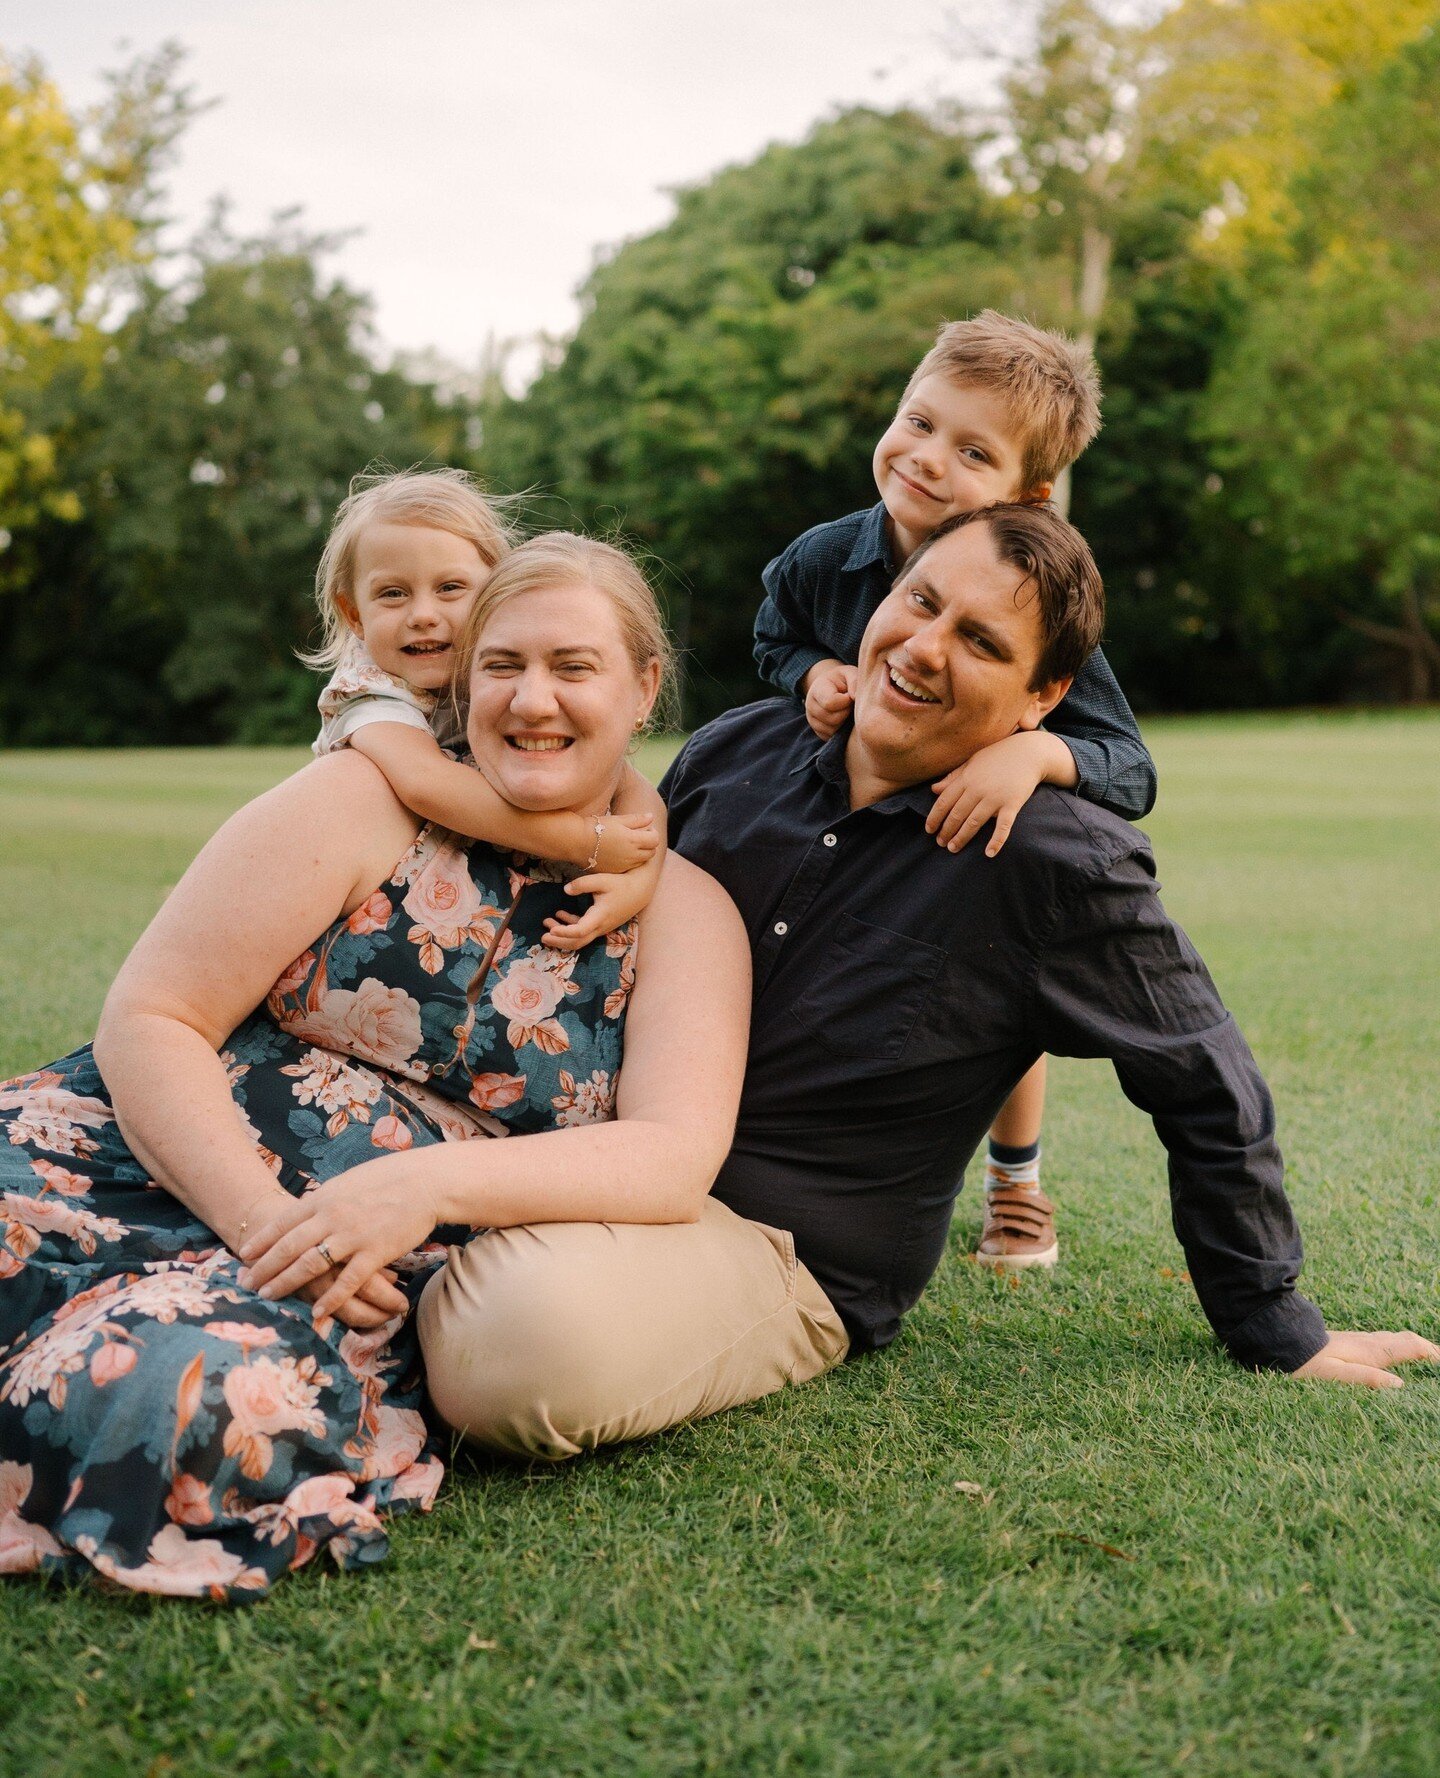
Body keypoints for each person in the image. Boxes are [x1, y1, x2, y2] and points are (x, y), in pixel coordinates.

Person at [419, 501, 1437, 1465]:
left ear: (1044, 699)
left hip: (781, 1243)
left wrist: (1272, 1321)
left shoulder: (1055, 860)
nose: (924, 646)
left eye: (984, 643)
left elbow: (1205, 1078)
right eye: (920, 601)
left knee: (512, 1347)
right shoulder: (740, 750)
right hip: (586, 1146)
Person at [0, 532, 762, 1600]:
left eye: (573, 666)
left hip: (365, 1264)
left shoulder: (687, 913)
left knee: (167, 1393)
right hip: (149, 1151)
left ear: (643, 686)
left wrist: (420, 1191)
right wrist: (264, 1222)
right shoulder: (364, 799)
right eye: (502, 664)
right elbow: (156, 1012)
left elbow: (673, 1157)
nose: (532, 698)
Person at [754, 312, 1156, 1272]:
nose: (928, 459)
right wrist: (807, 671)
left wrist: (1033, 759)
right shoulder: (825, 555)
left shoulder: (1034, 600)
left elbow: (1128, 765)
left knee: (995, 994)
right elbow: (773, 636)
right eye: (919, 422)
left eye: (972, 450)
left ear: (1029, 494)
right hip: (855, 816)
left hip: (964, 830)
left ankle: (1016, 1183)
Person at [306, 468, 666, 952]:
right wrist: (587, 841)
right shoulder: (368, 688)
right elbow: (427, 785)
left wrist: (639, 878)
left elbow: (631, 785)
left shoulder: (492, 673)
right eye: (393, 593)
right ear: (354, 614)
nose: (423, 615)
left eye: (451, 588)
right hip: (352, 870)